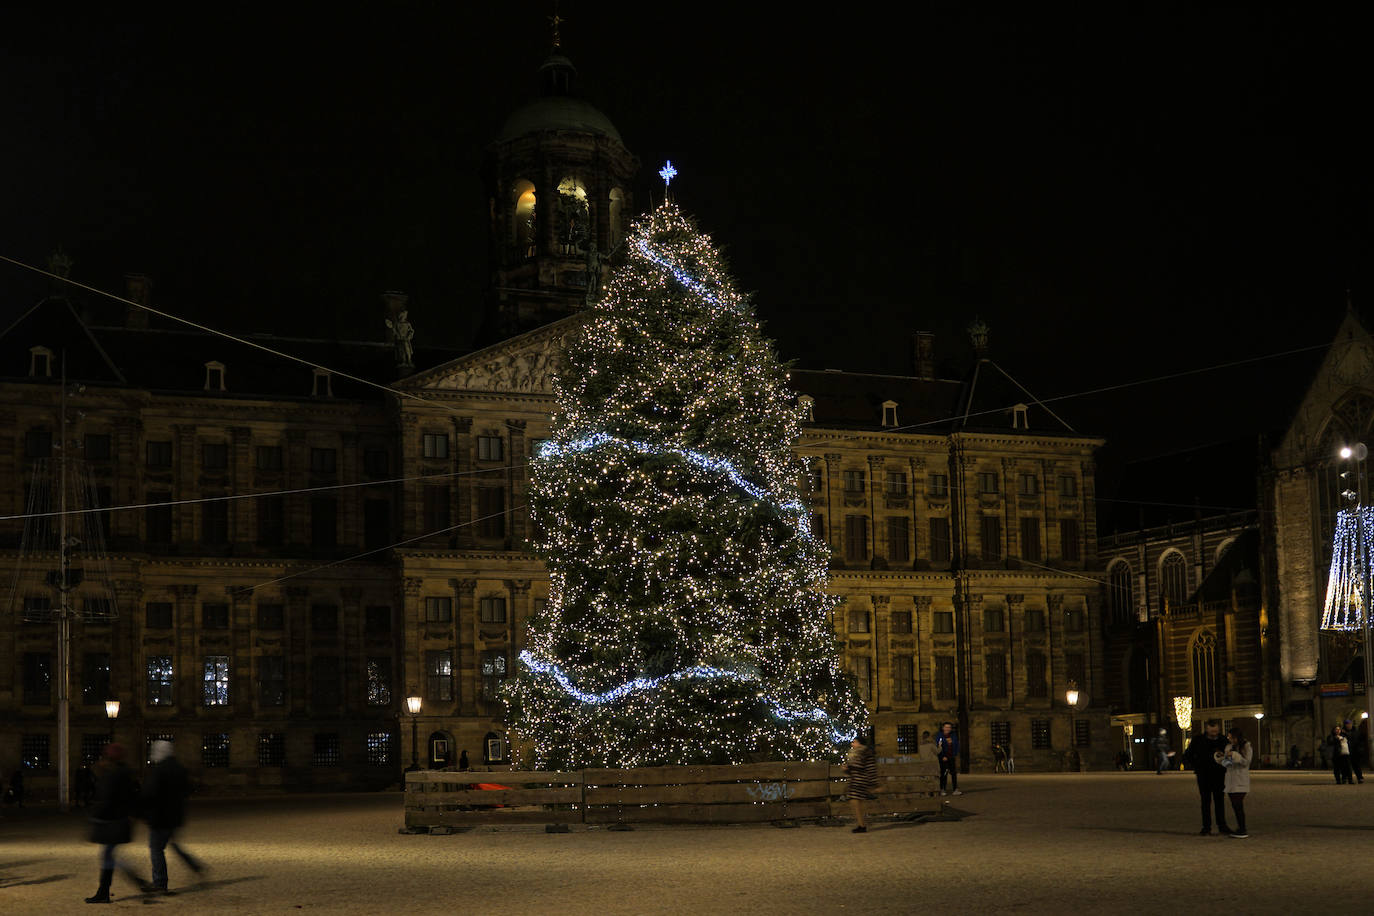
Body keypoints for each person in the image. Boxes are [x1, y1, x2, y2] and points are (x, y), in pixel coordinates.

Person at [85, 743, 148, 904]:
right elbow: (134, 796)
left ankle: (108, 891)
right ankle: (110, 890)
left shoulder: (111, 775)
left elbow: (105, 799)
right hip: (121, 819)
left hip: (112, 820)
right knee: (109, 855)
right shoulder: (124, 773)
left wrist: (94, 817)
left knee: (108, 855)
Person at [141, 740, 205, 895]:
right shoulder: (180, 768)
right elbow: (189, 788)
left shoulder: (159, 770)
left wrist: (142, 809)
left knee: (156, 849)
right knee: (172, 843)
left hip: (160, 816)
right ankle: (194, 865)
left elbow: (150, 793)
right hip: (175, 815)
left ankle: (160, 883)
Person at [1182, 719, 1232, 836]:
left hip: (1218, 775)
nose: (1214, 732)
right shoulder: (1198, 740)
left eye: (1216, 730)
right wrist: (1196, 766)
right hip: (1203, 775)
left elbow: (1229, 756)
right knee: (1205, 801)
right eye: (1212, 730)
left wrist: (1225, 766)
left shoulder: (1223, 740)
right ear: (1207, 729)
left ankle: (1222, 825)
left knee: (1219, 801)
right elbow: (1187, 755)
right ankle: (1206, 827)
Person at [1216, 726, 1253, 838]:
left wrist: (1235, 755)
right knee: (1235, 805)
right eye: (1229, 737)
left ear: (1237, 737)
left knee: (1238, 805)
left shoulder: (1247, 746)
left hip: (1240, 780)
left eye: (1231, 737)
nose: (1230, 739)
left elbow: (1246, 762)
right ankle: (1240, 828)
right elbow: (1227, 764)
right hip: (1231, 781)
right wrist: (1221, 758)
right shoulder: (1229, 747)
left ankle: (1242, 829)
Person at [843, 737, 878, 833]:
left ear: (860, 743)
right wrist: (847, 769)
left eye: (854, 742)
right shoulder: (853, 754)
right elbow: (852, 767)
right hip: (854, 780)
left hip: (861, 780)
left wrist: (872, 782)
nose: (852, 744)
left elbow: (870, 767)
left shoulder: (865, 753)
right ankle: (861, 823)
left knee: (855, 801)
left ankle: (862, 825)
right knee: (855, 801)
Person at [936, 722, 962, 796]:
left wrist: (955, 754)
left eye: (949, 727)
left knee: (953, 773)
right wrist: (942, 756)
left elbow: (956, 745)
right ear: (943, 728)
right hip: (943, 758)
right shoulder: (940, 735)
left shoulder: (953, 735)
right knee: (944, 774)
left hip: (951, 757)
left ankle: (955, 789)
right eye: (946, 727)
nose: (948, 729)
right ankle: (942, 789)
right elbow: (938, 746)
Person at [1344, 719, 1364, 784]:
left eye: (1349, 724)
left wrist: (1360, 749)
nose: (1348, 725)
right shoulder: (1343, 732)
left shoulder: (1356, 732)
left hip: (1355, 751)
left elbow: (1360, 740)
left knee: (1357, 765)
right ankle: (1350, 779)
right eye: (1347, 724)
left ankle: (1360, 777)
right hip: (1347, 751)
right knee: (1348, 766)